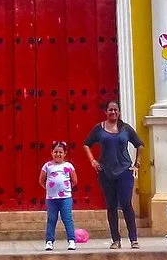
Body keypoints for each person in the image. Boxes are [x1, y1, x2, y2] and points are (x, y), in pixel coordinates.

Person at [83, 101, 143, 249]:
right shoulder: (99, 128)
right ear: (106, 111)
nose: (113, 112)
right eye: (110, 110)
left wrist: (137, 164)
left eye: (115, 110)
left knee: (126, 204)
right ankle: (116, 240)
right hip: (106, 172)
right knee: (111, 206)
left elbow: (139, 144)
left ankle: (133, 239)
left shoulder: (126, 129)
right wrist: (92, 161)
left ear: (119, 112)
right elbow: (86, 144)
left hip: (124, 172)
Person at [39, 140, 78, 251]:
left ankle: (71, 240)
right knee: (51, 219)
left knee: (67, 218)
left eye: (61, 152)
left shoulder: (68, 166)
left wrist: (65, 188)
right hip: (51, 198)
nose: (58, 154)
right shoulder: (47, 166)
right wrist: (49, 189)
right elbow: (41, 180)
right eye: (55, 152)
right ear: (51, 152)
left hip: (65, 198)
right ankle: (49, 241)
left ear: (65, 153)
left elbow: (74, 180)